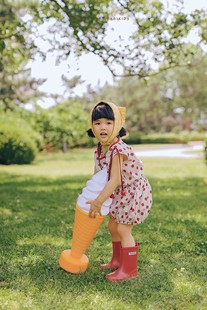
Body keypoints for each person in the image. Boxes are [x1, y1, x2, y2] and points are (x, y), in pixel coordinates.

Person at [86, 100, 152, 282]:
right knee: (112, 226)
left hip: (132, 192)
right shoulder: (100, 149)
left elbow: (115, 180)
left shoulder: (117, 149)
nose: (103, 127)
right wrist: (91, 194)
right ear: (91, 126)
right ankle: (117, 260)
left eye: (108, 122)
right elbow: (99, 175)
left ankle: (129, 269)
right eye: (97, 123)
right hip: (120, 192)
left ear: (117, 125)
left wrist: (99, 202)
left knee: (123, 229)